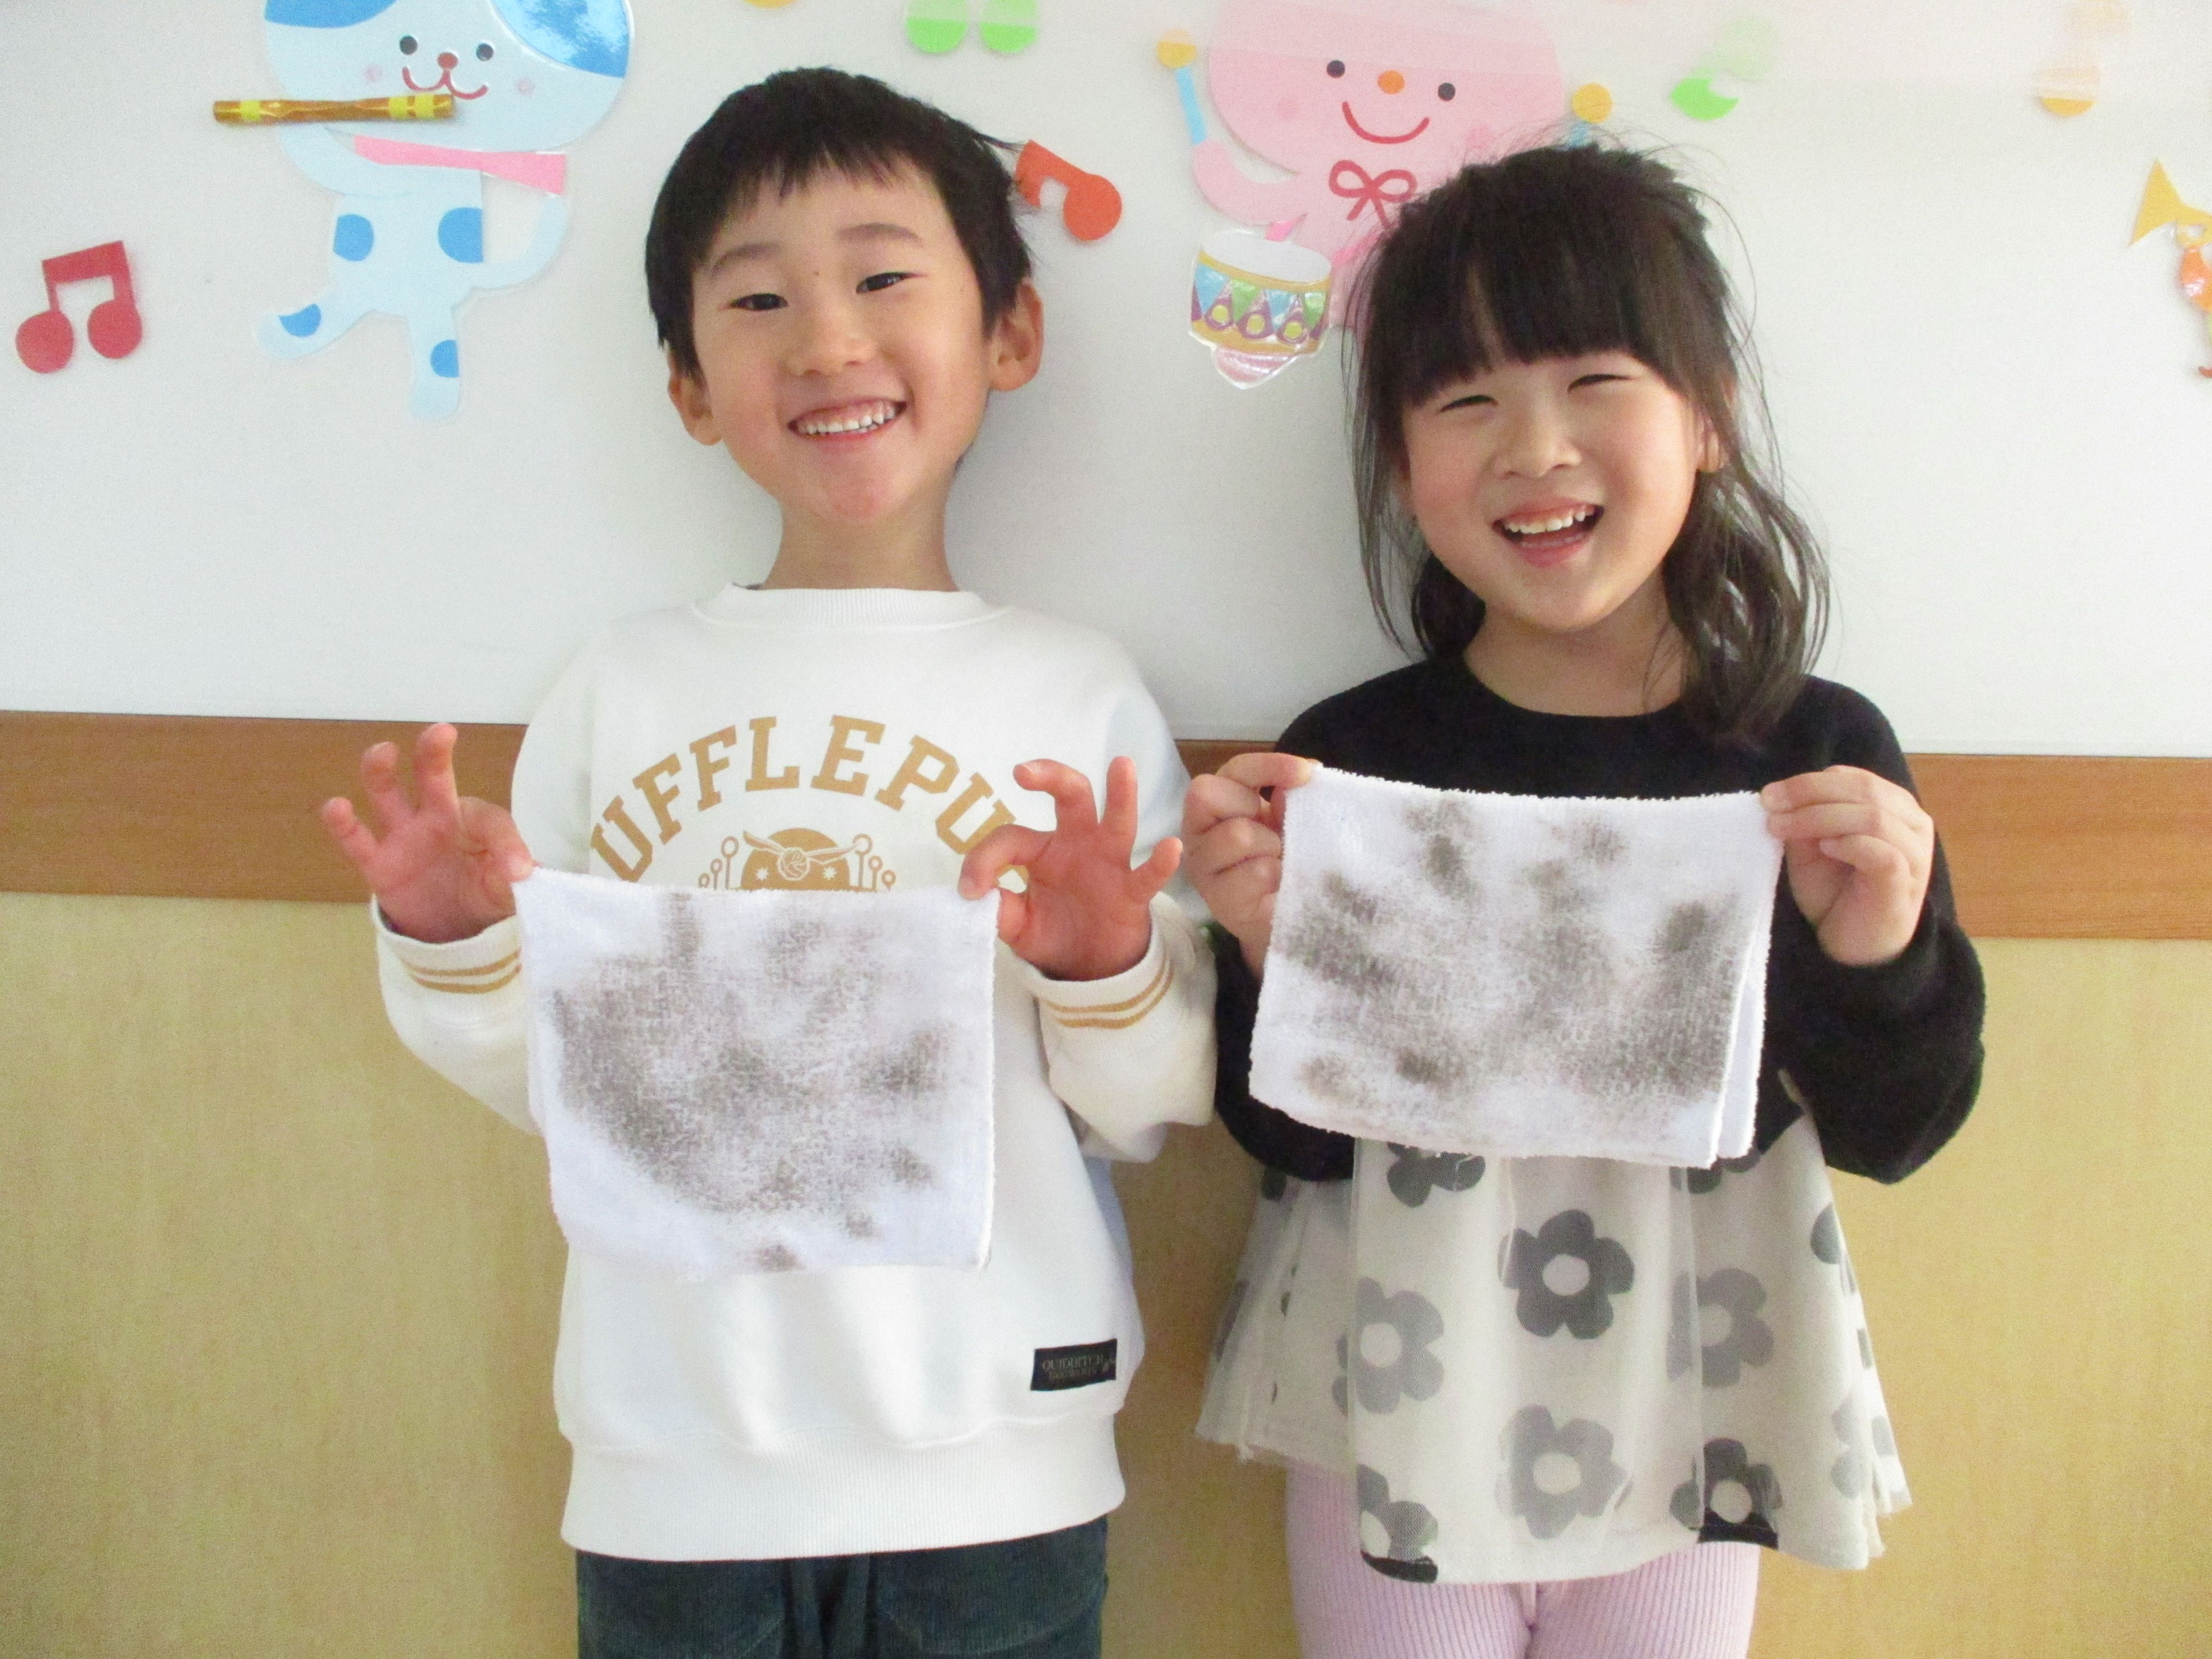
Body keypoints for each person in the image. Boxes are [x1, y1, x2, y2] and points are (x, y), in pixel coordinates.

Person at [320, 68, 1215, 1659]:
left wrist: (1105, 966)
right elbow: (556, 1088)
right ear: (688, 384)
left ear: (1008, 332)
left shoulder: (1075, 695)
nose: (825, 340)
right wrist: (461, 946)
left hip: (996, 1459)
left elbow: (1150, 1104)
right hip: (673, 1454)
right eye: (756, 300)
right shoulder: (618, 690)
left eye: (883, 278)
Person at [1184, 144, 1984, 1659]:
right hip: (1395, 1376)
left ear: (1709, 419)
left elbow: (1899, 1128)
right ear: (1400, 460)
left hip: (1703, 1379)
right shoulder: (1353, 762)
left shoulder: (1812, 758)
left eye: (1595, 381)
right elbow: (1291, 1141)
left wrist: (1878, 948)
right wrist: (1274, 955)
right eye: (1465, 402)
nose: (1535, 449)